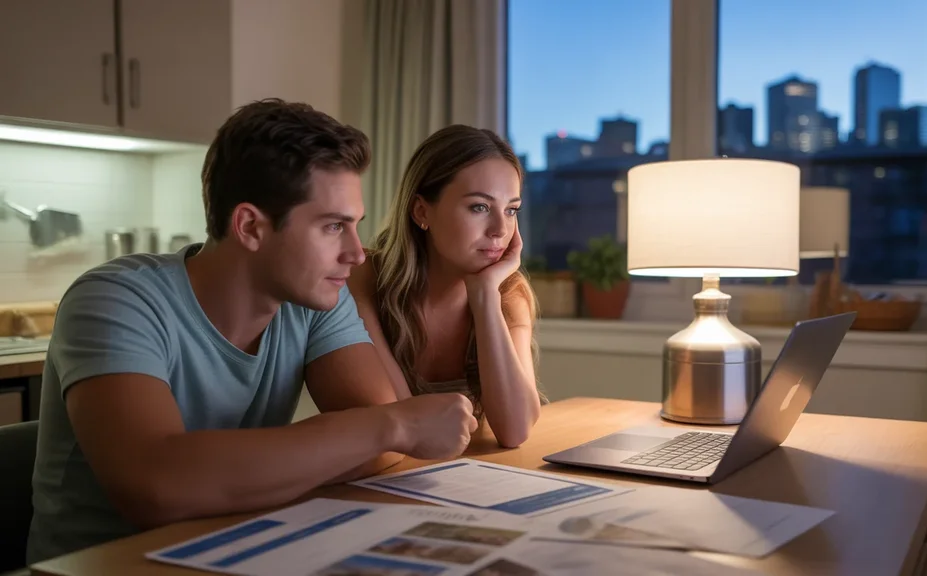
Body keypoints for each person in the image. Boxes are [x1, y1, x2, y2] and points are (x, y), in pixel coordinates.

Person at [26, 99, 478, 564]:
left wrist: (227, 474)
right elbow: (158, 487)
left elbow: (383, 452)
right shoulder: (115, 300)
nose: (357, 253)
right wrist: (393, 425)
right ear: (250, 226)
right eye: (333, 227)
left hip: (232, 551)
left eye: (355, 226)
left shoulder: (316, 300)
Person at [348, 125, 543, 449]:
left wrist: (484, 297)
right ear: (422, 211)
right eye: (479, 207)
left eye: (511, 210)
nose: (499, 229)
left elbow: (516, 430)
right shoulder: (366, 278)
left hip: (465, 479)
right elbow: (408, 425)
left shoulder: (507, 294)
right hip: (383, 478)